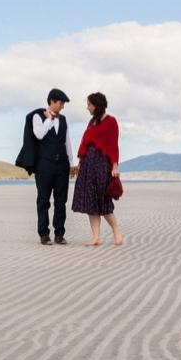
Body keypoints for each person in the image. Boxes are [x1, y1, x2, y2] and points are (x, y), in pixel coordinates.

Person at [15, 88, 78, 245]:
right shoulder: (38, 116)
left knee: (61, 201)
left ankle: (59, 234)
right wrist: (49, 119)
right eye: (61, 103)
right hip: (44, 165)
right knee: (43, 200)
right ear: (52, 101)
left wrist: (71, 163)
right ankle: (44, 234)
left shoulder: (63, 120)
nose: (63, 106)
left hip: (62, 165)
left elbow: (67, 142)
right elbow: (39, 134)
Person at [70, 92, 123, 246]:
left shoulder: (111, 121)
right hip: (88, 166)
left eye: (89, 104)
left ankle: (116, 232)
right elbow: (84, 144)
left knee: (104, 202)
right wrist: (80, 165)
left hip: (102, 166)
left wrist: (114, 164)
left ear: (97, 105)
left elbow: (114, 144)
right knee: (91, 203)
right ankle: (96, 237)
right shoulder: (91, 122)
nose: (87, 108)